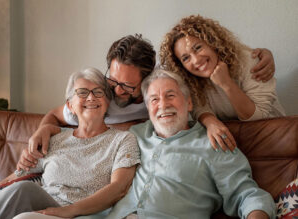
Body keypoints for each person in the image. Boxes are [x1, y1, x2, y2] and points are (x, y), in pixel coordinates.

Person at [19, 34, 275, 171]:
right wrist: (43, 129)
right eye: (113, 80)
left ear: (145, 80)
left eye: (127, 86)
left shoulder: (159, 92)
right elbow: (55, 115)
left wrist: (263, 54)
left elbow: (195, 99)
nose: (117, 91)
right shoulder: (97, 95)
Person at [105, 69, 276, 218]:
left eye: (170, 95)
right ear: (148, 109)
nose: (163, 105)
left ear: (189, 103)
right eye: (154, 99)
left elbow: (247, 195)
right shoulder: (134, 135)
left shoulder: (213, 143)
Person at [0, 68, 140, 219]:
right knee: (23, 189)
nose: (91, 97)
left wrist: (70, 210)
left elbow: (119, 188)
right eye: (82, 93)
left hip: (85, 214)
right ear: (70, 105)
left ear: (107, 101)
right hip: (46, 207)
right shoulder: (54, 138)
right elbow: (15, 178)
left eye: (98, 92)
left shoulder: (123, 140)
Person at [160, 15, 285, 152]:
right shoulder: (190, 80)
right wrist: (210, 122)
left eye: (198, 48)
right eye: (186, 58)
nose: (196, 60)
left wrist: (226, 84)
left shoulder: (248, 61)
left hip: (276, 139)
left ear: (212, 42)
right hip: (234, 146)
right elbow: (200, 109)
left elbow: (257, 117)